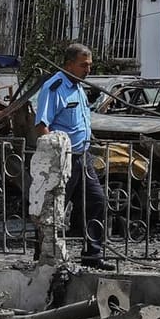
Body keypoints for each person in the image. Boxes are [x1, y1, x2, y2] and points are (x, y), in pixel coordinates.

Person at [32, 43, 113, 270]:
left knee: (97, 201)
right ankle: (44, 257)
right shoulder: (55, 87)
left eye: (89, 65)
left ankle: (92, 255)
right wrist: (53, 159)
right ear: (69, 65)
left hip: (82, 156)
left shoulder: (78, 87)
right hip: (62, 159)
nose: (88, 70)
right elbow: (42, 124)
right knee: (54, 209)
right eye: (83, 65)